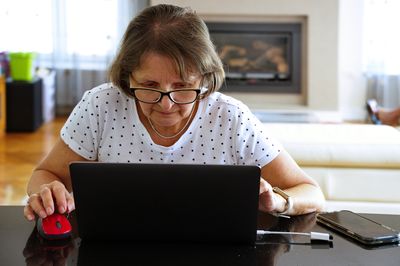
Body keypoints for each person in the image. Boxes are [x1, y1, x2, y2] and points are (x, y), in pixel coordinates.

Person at [24, 4, 325, 222]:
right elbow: (43, 174)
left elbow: (311, 192)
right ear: (128, 77)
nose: (166, 104)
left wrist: (279, 202)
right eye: (149, 85)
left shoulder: (231, 117)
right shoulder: (100, 106)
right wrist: (47, 191)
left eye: (183, 87)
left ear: (205, 79)